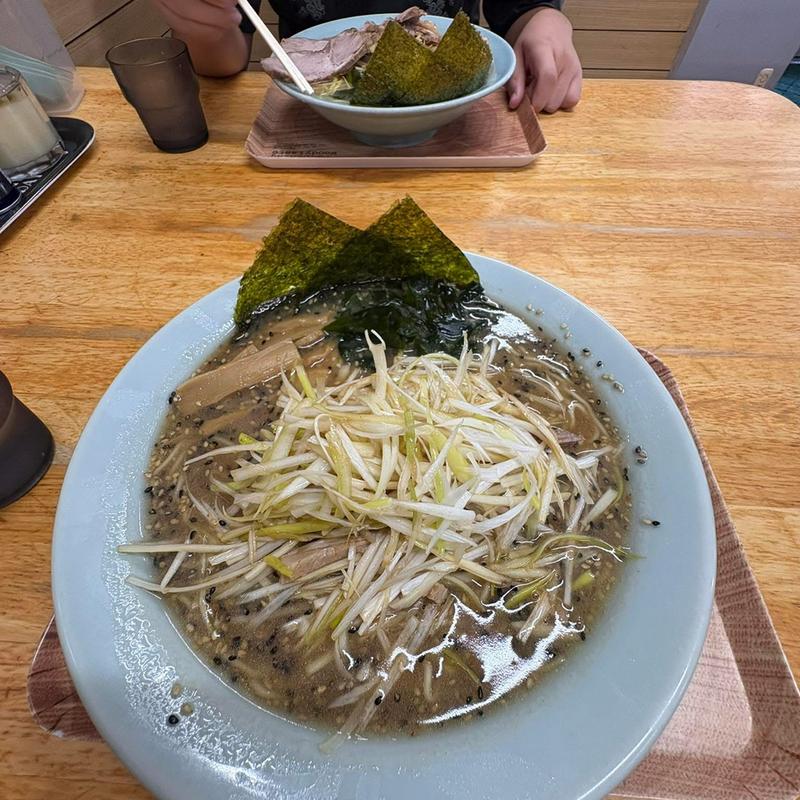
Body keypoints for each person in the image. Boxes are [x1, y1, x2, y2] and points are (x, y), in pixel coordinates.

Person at [153, 0, 581, 113]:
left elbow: (523, 10)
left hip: (458, 125)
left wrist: (545, 22)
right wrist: (201, 26)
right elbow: (224, 60)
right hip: (310, 119)